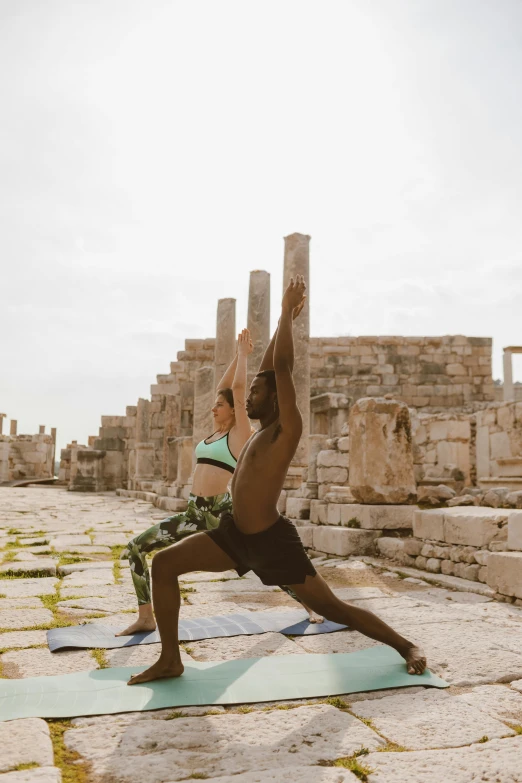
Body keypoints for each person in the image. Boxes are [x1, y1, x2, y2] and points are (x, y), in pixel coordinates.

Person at [128, 277, 426, 685]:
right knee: (163, 564)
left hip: (271, 542)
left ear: (275, 398)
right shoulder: (257, 429)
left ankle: (405, 646)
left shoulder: (287, 428)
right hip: (234, 535)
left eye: (254, 392)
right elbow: (271, 367)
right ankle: (170, 659)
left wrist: (286, 313)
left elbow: (281, 369)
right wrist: (276, 329)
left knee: (335, 607)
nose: (245, 398)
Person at [118, 327, 320, 638]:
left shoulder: (240, 435)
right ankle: (147, 617)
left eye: (219, 406)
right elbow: (225, 387)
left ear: (233, 410)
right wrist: (235, 358)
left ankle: (309, 605)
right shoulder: (213, 433)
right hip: (193, 514)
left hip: (218, 514)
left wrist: (242, 356)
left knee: (263, 562)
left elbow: (237, 391)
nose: (213, 408)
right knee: (136, 548)